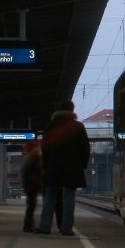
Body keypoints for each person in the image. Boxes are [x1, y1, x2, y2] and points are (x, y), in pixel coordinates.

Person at [37, 100, 90, 236]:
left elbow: (45, 148)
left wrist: (44, 166)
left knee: (49, 197)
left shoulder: (50, 127)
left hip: (53, 167)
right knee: (69, 198)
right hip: (73, 168)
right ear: (72, 110)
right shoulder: (78, 127)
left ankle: (45, 227)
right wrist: (82, 165)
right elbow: (85, 149)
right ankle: (67, 229)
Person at [20, 140, 42, 232]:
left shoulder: (28, 158)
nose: (39, 149)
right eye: (37, 147)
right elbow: (36, 172)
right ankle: (28, 226)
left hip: (29, 185)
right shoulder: (33, 158)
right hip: (32, 186)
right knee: (31, 206)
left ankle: (29, 225)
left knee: (31, 206)